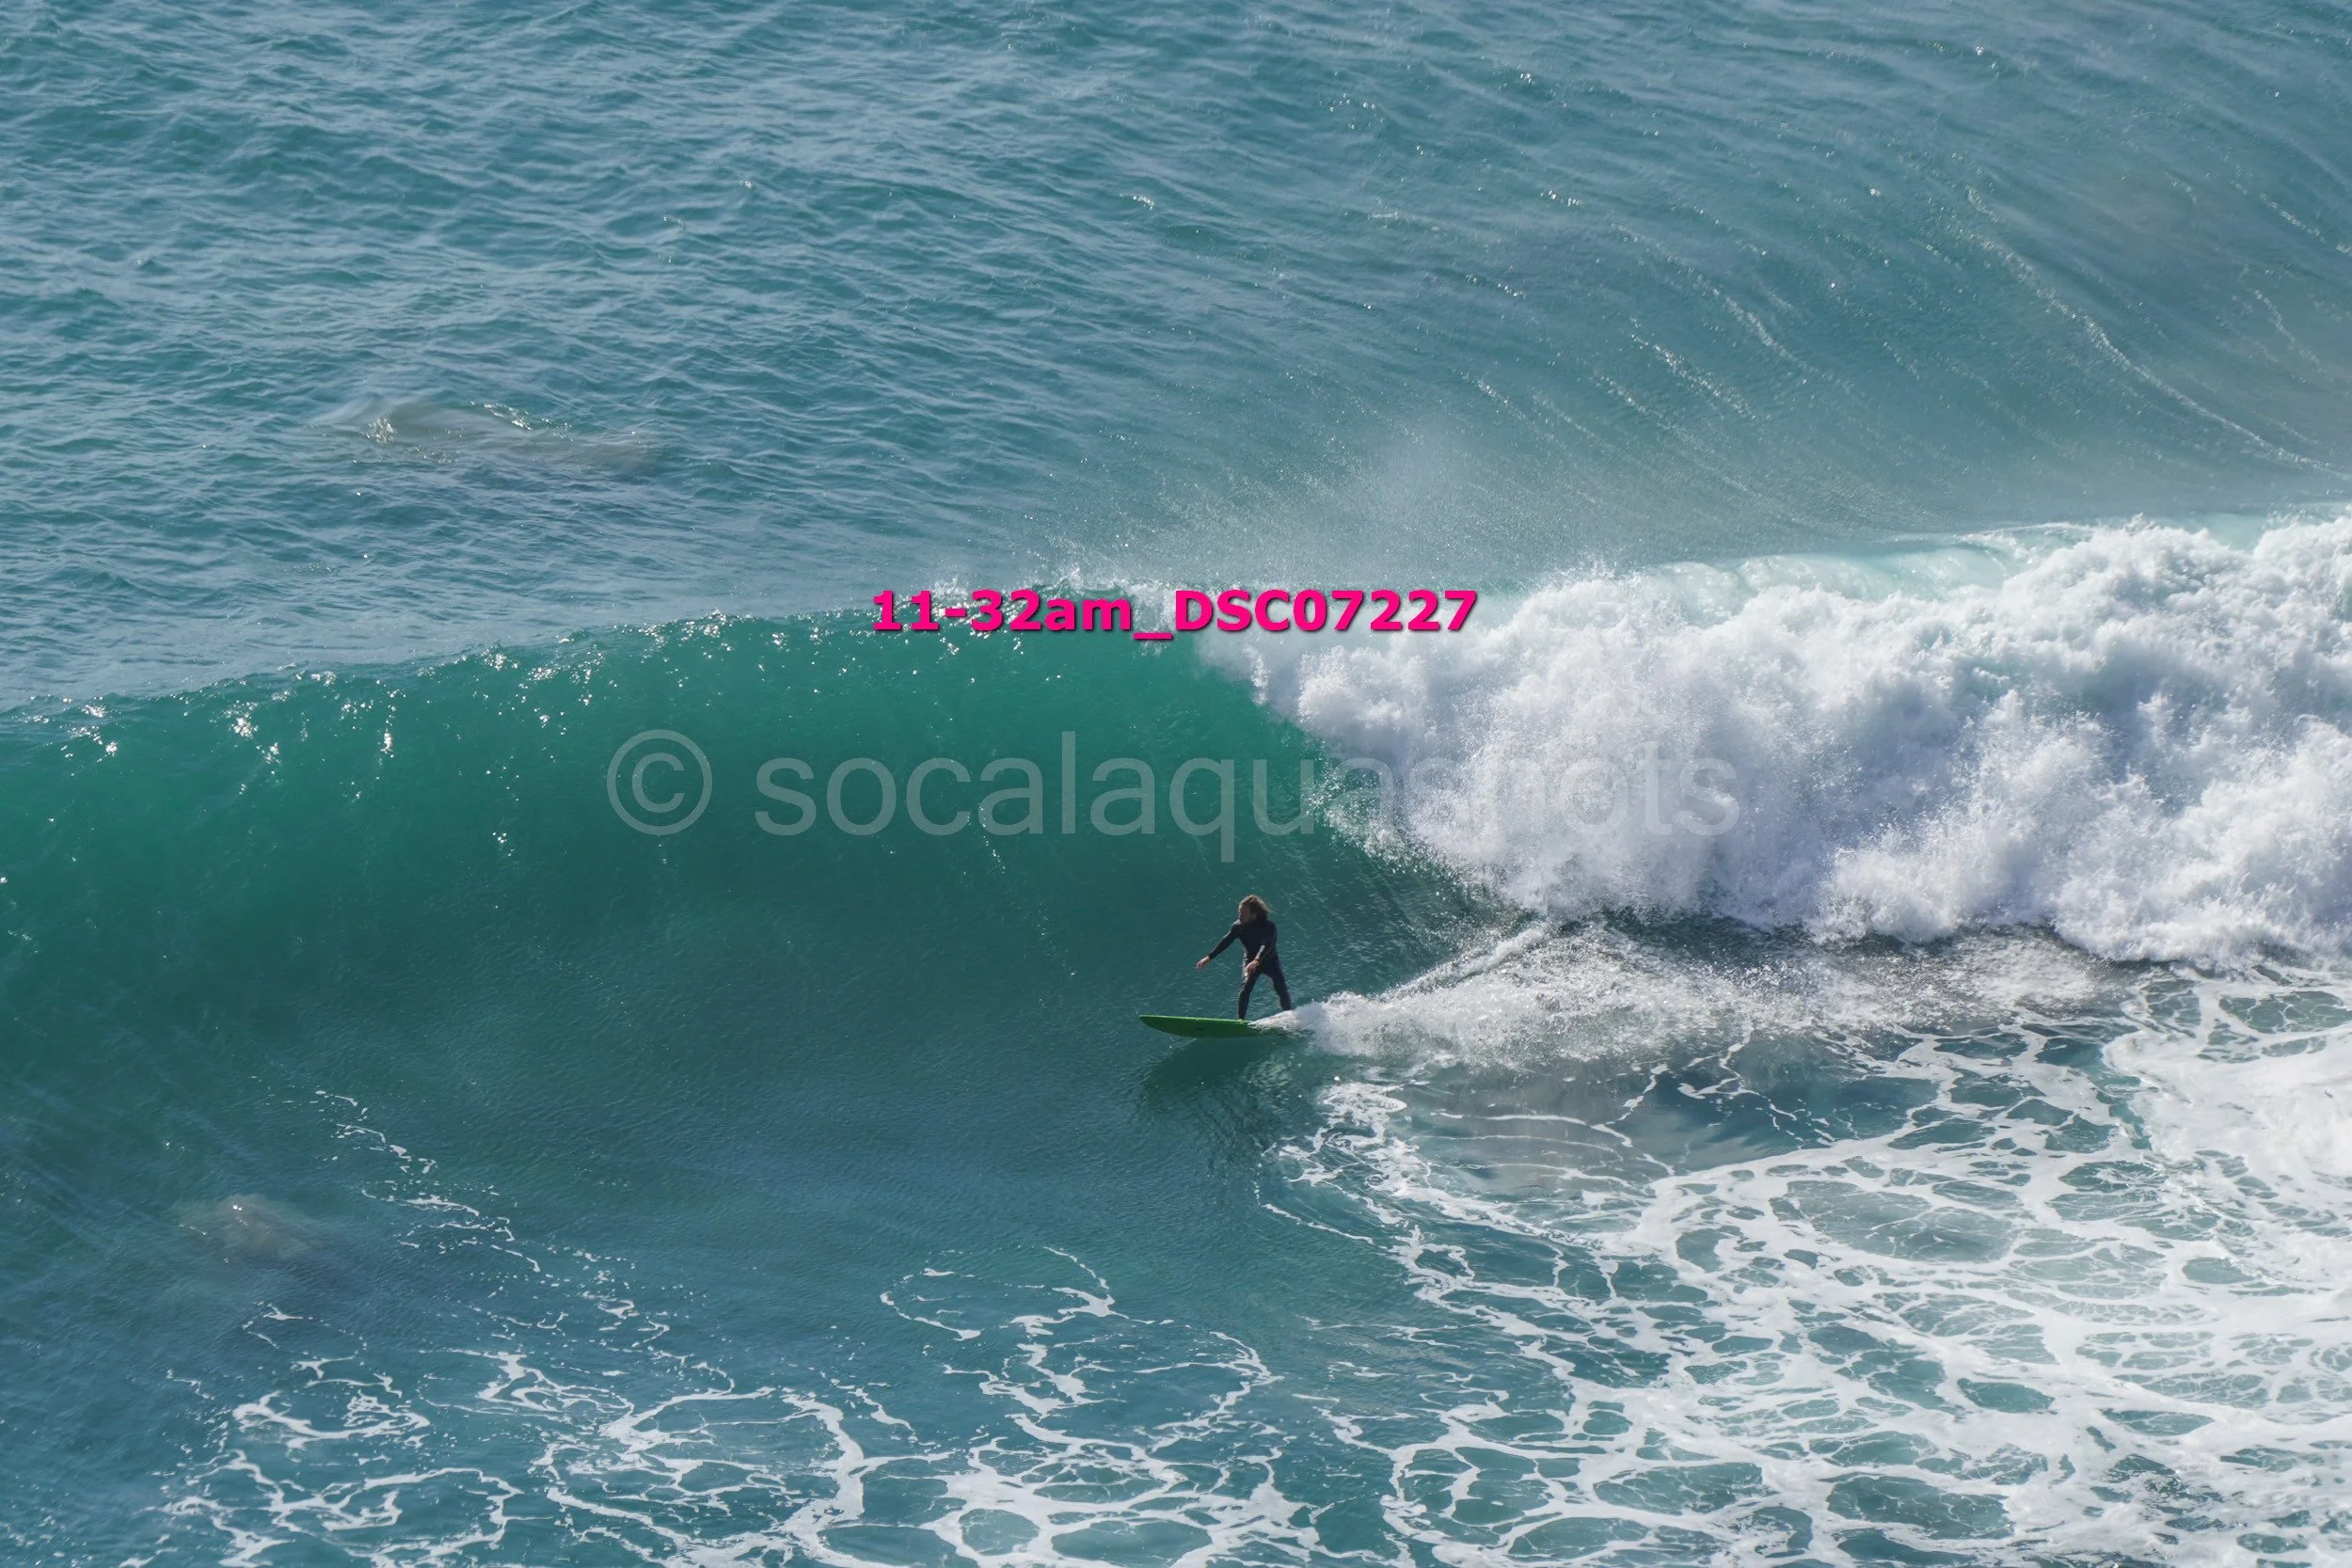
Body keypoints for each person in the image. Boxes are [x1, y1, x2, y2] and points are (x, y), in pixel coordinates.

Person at [1197, 895, 1291, 1018]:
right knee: (1245, 989)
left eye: (1243, 912)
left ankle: (1290, 1016)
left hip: (1269, 961)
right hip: (1250, 960)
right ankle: (1240, 1022)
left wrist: (1257, 960)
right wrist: (1209, 957)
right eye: (1239, 911)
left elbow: (1266, 945)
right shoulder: (1238, 927)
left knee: (1281, 988)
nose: (1239, 915)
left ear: (1254, 914)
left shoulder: (1269, 927)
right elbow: (1226, 941)